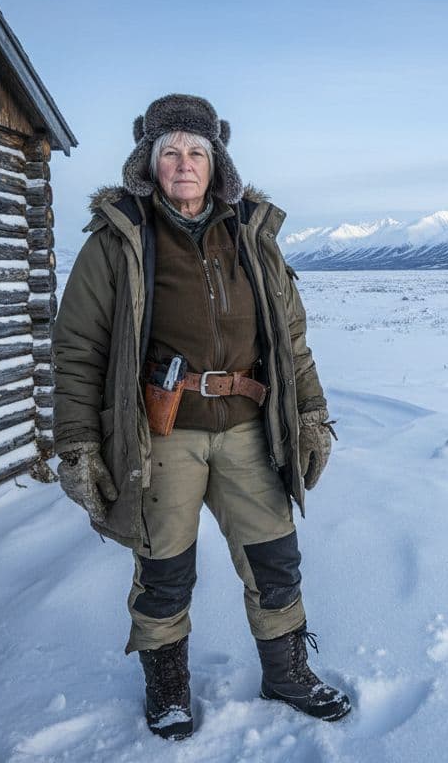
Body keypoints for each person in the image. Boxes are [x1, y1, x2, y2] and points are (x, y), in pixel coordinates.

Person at [50, 94, 349, 741]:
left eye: (196, 152)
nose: (184, 164)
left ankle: (287, 673)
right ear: (148, 161)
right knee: (165, 569)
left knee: (275, 558)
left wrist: (312, 415)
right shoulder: (118, 241)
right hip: (162, 434)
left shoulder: (251, 234)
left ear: (217, 161)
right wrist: (77, 446)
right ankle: (167, 688)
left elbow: (290, 338)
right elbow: (77, 350)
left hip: (247, 426)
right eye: (170, 152)